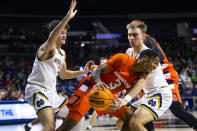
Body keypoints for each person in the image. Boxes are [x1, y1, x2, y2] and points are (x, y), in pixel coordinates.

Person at [56, 49, 168, 131]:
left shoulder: (141, 76)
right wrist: (99, 82)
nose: (155, 67)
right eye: (155, 63)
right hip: (90, 88)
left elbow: (130, 90)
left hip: (107, 95)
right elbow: (96, 72)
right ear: (145, 58)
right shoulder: (123, 59)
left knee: (130, 118)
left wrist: (122, 100)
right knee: (68, 125)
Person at [25, 0, 94, 131]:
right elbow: (51, 38)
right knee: (49, 125)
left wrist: (84, 71)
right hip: (37, 89)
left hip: (52, 93)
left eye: (65, 32)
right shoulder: (46, 48)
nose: (64, 35)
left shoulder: (62, 53)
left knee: (77, 118)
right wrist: (67, 18)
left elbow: (63, 74)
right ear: (54, 33)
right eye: (61, 32)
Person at [126, 20, 197, 131]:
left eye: (135, 33)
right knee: (143, 108)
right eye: (130, 34)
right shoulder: (132, 47)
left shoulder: (147, 40)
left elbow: (156, 57)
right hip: (152, 79)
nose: (132, 36)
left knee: (176, 108)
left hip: (166, 74)